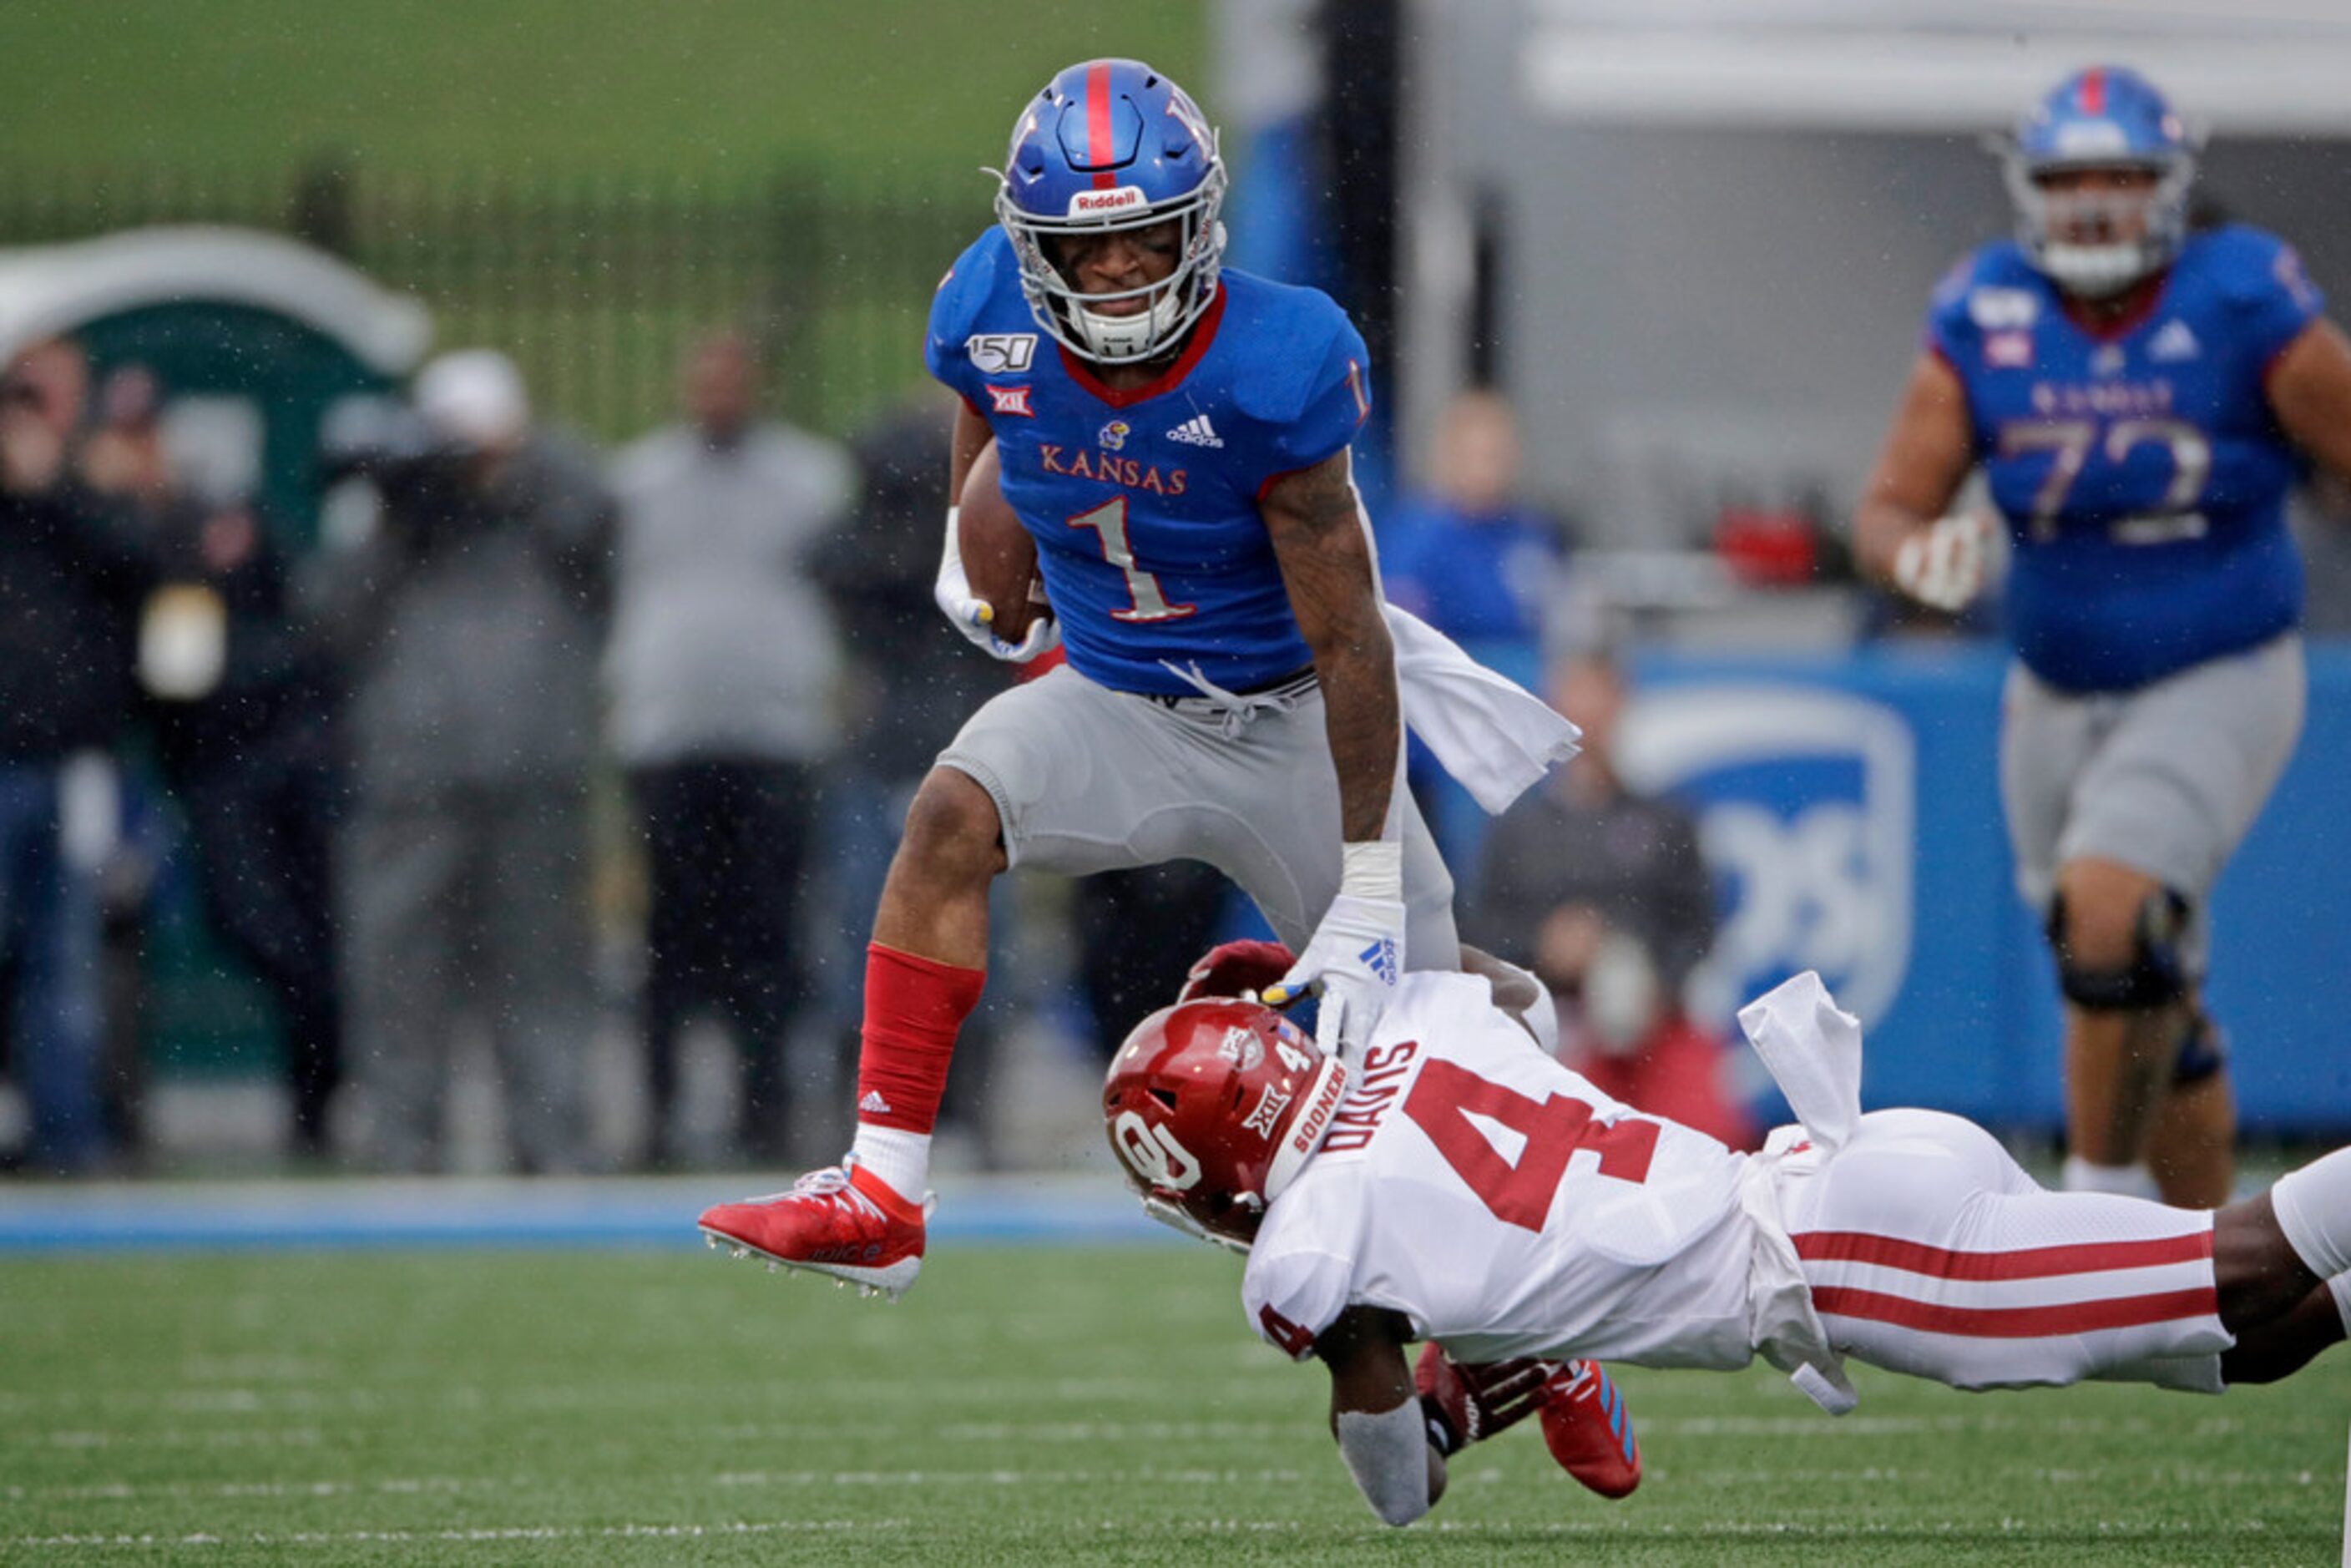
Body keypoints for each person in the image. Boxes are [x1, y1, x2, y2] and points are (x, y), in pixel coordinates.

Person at [699, 58, 1575, 1295]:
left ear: (1199, 226)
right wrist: (980, 556)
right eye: (1082, 249)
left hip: (1286, 720)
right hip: (1113, 698)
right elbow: (990, 436)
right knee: (947, 813)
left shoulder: (1278, 361)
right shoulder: (987, 308)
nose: (1114, 274)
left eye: (1145, 241)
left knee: (1444, 1031)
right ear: (1032, 244)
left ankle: (1550, 1310)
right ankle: (885, 1191)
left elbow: (1350, 640)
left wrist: (1372, 877)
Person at [1100, 951, 2351, 1528]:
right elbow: (1514, 996)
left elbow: (1396, 1500)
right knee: (2249, 1344)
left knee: (2243, 1264)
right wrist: (1344, 973)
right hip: (1846, 1173)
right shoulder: (1417, 1024)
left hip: (1847, 1255)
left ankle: (1532, 1361)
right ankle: (1533, 1359)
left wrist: (1411, 1374)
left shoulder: (1315, 1242)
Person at [1853, 66, 2351, 1206]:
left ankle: (2090, 1224)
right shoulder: (1987, 309)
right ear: (2030, 191)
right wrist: (1913, 555)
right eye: (2069, 180)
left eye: (2120, 177)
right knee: (2125, 972)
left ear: (2170, 187)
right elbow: (1888, 509)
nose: (2092, 205)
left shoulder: (2241, 298)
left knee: (2109, 907)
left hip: (2219, 665)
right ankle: (2203, 1284)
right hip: (2056, 682)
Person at [311, 349, 615, 1173]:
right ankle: (404, 1138)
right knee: (399, 967)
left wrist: (514, 470)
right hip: (413, 778)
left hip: (534, 769)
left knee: (543, 968)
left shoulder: (552, 506)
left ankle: (550, 1139)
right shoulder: (388, 517)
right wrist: (403, 507)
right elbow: (331, 620)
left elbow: (600, 529)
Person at [608, 331, 853, 1168]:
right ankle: (659, 1114)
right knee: (669, 942)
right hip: (668, 735)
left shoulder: (810, 482)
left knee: (769, 940)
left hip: (775, 737)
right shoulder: (637, 482)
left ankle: (766, 1114)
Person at [1462, 651, 1750, 1149]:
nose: (1588, 716)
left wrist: (1647, 971)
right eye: (1576, 699)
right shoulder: (1518, 829)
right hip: (1553, 1028)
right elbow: (1482, 934)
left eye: (1599, 698)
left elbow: (1698, 926)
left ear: (1622, 706)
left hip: (1656, 1030)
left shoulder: (1665, 821)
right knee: (1552, 1150)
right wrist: (1545, 950)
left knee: (1705, 1142)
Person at [0, 342, 154, 1173]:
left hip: (68, 763)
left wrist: (55, 486)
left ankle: (68, 1132)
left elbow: (142, 560)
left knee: (64, 962)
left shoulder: (86, 487)